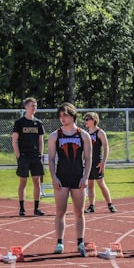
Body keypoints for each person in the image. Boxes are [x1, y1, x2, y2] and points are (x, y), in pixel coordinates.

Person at [48, 103, 92, 256]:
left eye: (65, 115)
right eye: (60, 116)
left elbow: (88, 158)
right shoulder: (55, 136)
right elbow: (52, 159)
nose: (62, 119)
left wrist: (85, 177)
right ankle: (59, 242)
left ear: (73, 116)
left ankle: (80, 242)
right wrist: (53, 177)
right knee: (60, 211)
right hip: (62, 177)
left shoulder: (83, 135)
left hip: (78, 177)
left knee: (79, 212)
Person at [12, 97, 46, 217]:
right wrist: (18, 154)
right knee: (23, 182)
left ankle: (36, 208)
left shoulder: (38, 123)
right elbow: (14, 140)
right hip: (24, 156)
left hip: (35, 156)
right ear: (26, 107)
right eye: (32, 105)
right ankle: (22, 208)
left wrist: (40, 154)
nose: (34, 107)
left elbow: (41, 141)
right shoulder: (19, 123)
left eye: (35, 105)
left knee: (36, 182)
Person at [83, 112, 116, 213]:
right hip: (88, 162)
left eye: (87, 119)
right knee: (90, 184)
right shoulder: (85, 133)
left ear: (93, 120)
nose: (85, 121)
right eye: (84, 119)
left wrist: (103, 162)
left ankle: (110, 204)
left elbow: (106, 147)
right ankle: (91, 206)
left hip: (97, 161)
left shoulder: (100, 132)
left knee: (101, 183)